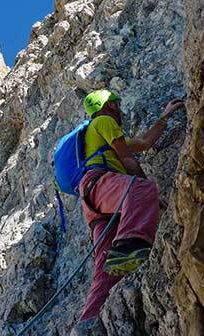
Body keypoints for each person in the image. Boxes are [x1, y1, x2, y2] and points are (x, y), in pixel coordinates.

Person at [77, 89, 184, 323]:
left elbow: (144, 143)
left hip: (94, 200)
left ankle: (88, 321)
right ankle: (129, 246)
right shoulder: (103, 121)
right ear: (110, 106)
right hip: (101, 183)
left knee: (104, 267)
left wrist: (164, 116)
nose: (120, 109)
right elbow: (127, 160)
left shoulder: (96, 135)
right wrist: (148, 193)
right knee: (141, 187)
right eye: (116, 103)